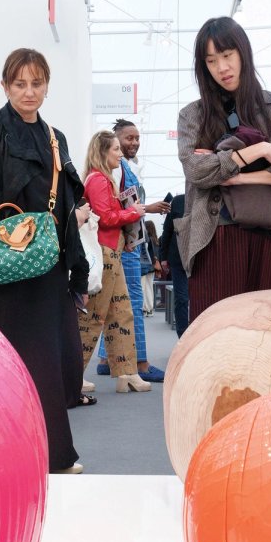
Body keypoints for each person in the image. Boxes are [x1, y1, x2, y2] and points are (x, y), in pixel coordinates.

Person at [0, 48, 90, 475]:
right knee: (0, 364)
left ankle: (53, 455)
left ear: (47, 85)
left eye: (37, 83)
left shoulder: (55, 137)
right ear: (5, 86)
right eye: (19, 84)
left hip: (47, 268)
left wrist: (77, 270)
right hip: (1, 269)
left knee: (50, 364)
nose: (29, 92)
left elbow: (66, 206)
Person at [176, 16, 271, 320]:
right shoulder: (193, 115)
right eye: (211, 61)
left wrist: (237, 177)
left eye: (227, 55)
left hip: (270, 233)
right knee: (216, 327)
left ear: (243, 53)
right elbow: (196, 170)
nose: (221, 67)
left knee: (268, 327)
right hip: (214, 235)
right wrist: (259, 150)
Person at [95, 118, 170, 382]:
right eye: (128, 138)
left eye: (137, 138)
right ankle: (140, 363)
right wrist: (146, 209)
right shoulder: (118, 169)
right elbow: (117, 209)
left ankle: (106, 358)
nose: (134, 142)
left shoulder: (121, 168)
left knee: (115, 303)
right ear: (114, 141)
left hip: (123, 241)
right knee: (132, 304)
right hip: (125, 244)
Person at [78, 130, 151, 395]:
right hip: (104, 253)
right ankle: (74, 375)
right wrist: (133, 212)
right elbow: (106, 217)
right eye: (116, 149)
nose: (120, 154)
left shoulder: (102, 178)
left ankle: (127, 373)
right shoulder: (99, 179)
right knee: (94, 316)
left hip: (112, 251)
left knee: (121, 313)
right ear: (103, 152)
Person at [159, 193, 191, 334]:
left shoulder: (207, 197)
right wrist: (163, 257)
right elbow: (167, 231)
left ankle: (198, 333)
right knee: (182, 298)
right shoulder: (178, 201)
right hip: (178, 258)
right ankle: (183, 335)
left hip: (201, 257)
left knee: (199, 297)